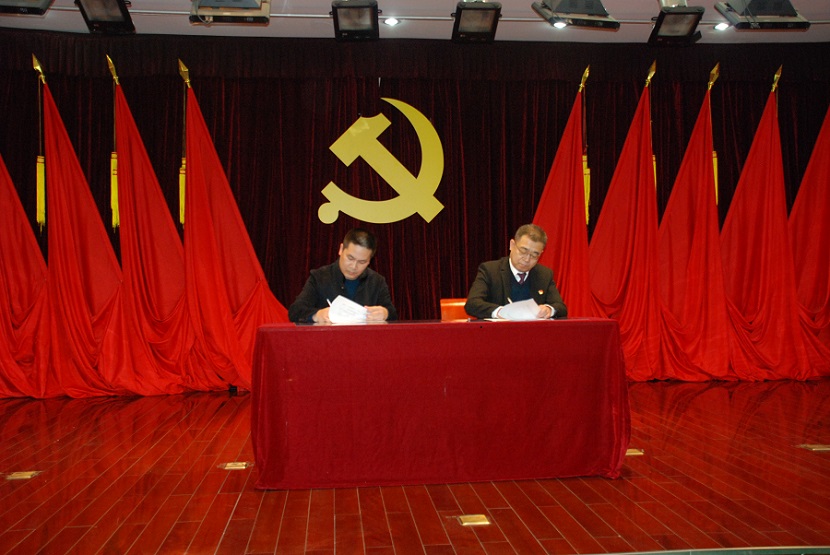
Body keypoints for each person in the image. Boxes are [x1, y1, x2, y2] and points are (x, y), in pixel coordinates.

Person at [288, 228, 397, 324]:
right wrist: (317, 315)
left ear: (370, 260)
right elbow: (295, 311)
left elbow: (392, 314)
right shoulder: (319, 277)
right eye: (350, 258)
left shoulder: (377, 282)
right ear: (341, 249)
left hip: (364, 339)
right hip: (327, 339)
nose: (354, 266)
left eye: (362, 262)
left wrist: (385, 313)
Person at [465, 223, 567, 320]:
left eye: (534, 255)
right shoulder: (490, 270)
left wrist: (549, 309)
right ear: (512, 245)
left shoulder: (544, 275)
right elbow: (472, 304)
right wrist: (501, 312)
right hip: (499, 330)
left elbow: (561, 307)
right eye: (523, 251)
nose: (527, 259)